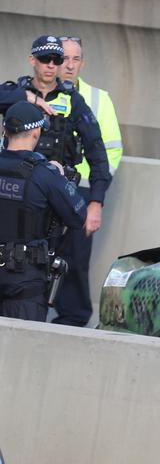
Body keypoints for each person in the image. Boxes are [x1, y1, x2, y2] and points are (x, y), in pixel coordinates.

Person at [0, 35, 110, 326]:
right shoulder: (16, 93)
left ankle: (68, 328)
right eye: (45, 59)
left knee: (71, 265)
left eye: (57, 60)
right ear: (32, 60)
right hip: (21, 192)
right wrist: (30, 99)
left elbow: (98, 153)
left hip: (60, 195)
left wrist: (96, 202)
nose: (51, 66)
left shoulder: (73, 101)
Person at [54, 35, 123, 327]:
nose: (70, 66)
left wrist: (93, 189)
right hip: (40, 185)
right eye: (64, 59)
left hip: (80, 189)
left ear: (82, 62)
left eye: (76, 59)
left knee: (76, 257)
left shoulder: (98, 98)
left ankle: (74, 317)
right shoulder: (35, 93)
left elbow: (113, 149)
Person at [0, 101, 87, 322]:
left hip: (22, 278)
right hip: (23, 280)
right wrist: (58, 178)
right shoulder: (45, 175)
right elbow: (78, 216)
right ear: (37, 132)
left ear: (4, 130)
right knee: (21, 351)